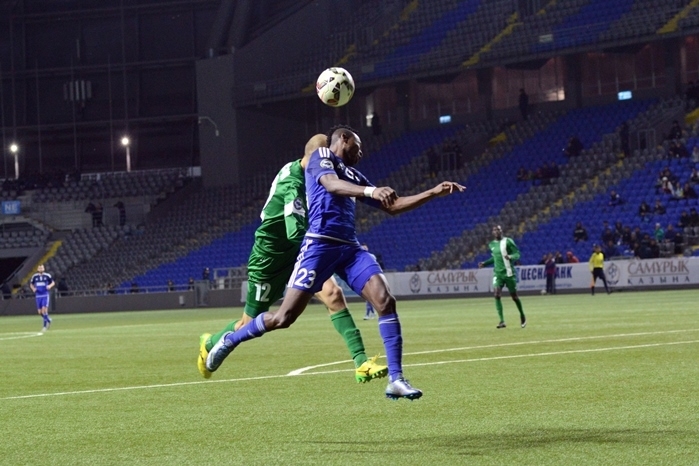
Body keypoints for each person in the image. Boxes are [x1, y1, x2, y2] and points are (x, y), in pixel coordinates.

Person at [204, 125, 465, 400]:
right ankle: (230, 340)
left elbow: (392, 205)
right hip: (319, 245)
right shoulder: (321, 157)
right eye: (358, 146)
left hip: (349, 248)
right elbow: (330, 184)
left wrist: (432, 192)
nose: (361, 153)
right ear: (344, 138)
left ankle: (396, 380)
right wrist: (370, 191)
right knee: (283, 318)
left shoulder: (352, 174)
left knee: (385, 300)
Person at [198, 134, 389, 385]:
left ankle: (361, 362)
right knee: (248, 323)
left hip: (302, 251)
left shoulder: (313, 173)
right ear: (314, 157)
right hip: (271, 257)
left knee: (333, 294)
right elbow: (295, 233)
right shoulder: (294, 183)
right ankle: (210, 343)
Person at [478, 225, 527, 329]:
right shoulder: (491, 244)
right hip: (498, 274)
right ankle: (502, 321)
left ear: (501, 231)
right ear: (492, 232)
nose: (496, 231)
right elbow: (495, 258)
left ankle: (522, 315)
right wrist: (485, 263)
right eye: (494, 230)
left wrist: (510, 256)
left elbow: (517, 254)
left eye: (498, 230)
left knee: (514, 297)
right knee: (496, 294)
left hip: (509, 273)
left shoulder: (508, 241)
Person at [30, 264, 55, 333]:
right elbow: (31, 284)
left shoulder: (47, 276)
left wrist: (49, 286)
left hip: (45, 295)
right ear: (38, 269)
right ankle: (48, 320)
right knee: (40, 312)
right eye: (40, 268)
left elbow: (53, 282)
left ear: (44, 269)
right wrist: (33, 289)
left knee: (44, 310)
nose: (41, 269)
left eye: (42, 268)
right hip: (38, 295)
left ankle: (44, 326)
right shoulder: (35, 276)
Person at [360, 244, 377, 320]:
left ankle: (368, 314)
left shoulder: (371, 256)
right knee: (368, 297)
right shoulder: (360, 257)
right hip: (364, 278)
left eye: (365, 247)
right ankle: (372, 313)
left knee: (369, 297)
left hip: (371, 277)